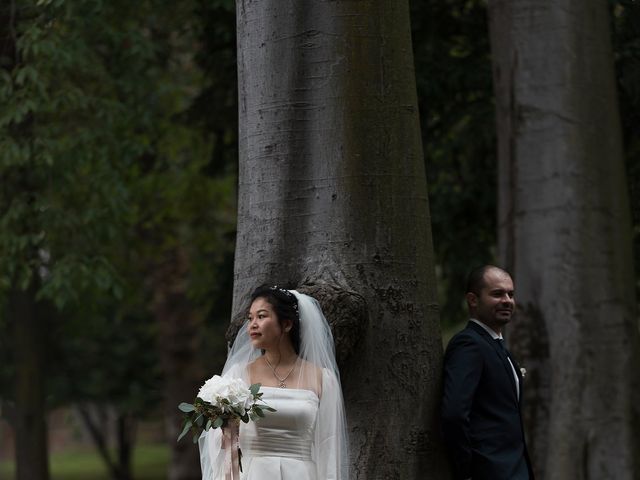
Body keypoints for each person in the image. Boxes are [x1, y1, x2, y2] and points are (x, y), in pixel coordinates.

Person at [199, 285, 349, 480]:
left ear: (286, 324)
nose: (252, 325)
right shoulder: (238, 376)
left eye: (261, 316)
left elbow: (330, 445)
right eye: (250, 318)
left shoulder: (323, 378)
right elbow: (221, 442)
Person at [441, 265, 534, 480]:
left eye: (510, 294)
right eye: (497, 294)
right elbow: (454, 414)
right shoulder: (469, 344)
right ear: (473, 300)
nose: (507, 300)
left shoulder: (498, 347)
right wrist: (466, 472)